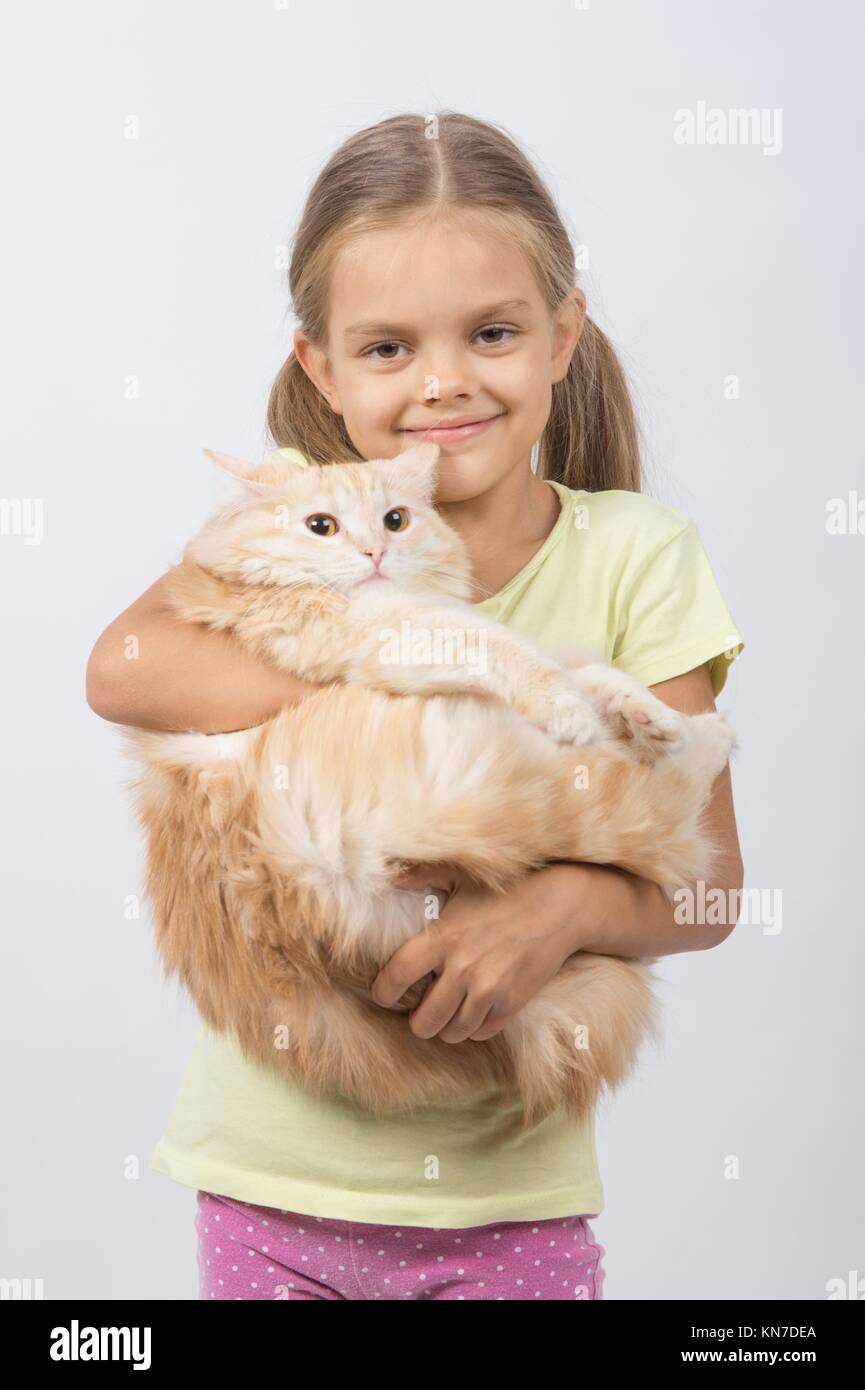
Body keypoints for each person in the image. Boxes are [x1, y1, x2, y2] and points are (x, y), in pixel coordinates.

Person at [86, 110, 745, 1301]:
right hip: (268, 1182)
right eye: (386, 348)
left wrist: (556, 908)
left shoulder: (635, 551)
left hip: (504, 1206)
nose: (443, 380)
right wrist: (403, 656)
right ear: (320, 369)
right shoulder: (301, 508)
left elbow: (707, 890)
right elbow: (122, 666)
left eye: (490, 332)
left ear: (561, 337)